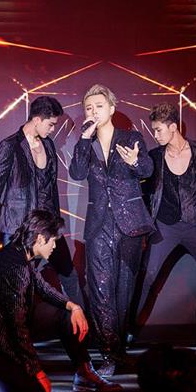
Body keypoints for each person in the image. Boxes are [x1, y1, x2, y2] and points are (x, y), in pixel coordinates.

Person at [0, 210, 120, 392]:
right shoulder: (15, 266)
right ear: (41, 239)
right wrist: (36, 371)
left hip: (1, 331)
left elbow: (42, 287)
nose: (55, 246)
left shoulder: (20, 253)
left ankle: (84, 373)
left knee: (66, 315)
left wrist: (73, 306)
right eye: (53, 241)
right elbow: (16, 326)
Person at [137, 102, 196, 389]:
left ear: (173, 127)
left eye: (158, 130)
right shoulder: (154, 157)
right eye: (153, 130)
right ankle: (126, 334)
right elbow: (143, 193)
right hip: (165, 227)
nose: (155, 135)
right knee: (147, 277)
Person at [69, 84, 154, 375]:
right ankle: (108, 353)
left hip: (130, 224)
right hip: (98, 225)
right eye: (88, 107)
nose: (93, 111)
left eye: (99, 106)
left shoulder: (131, 138)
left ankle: (118, 351)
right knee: (100, 289)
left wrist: (135, 161)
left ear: (112, 109)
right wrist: (84, 139)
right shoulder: (86, 141)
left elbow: (148, 170)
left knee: (124, 291)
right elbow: (77, 173)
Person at [0, 96, 82, 305]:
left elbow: (51, 187)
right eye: (51, 124)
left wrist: (57, 224)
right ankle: (13, 324)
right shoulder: (10, 145)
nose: (53, 130)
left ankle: (81, 319)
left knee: (69, 275)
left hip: (49, 226)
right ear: (37, 120)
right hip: (18, 227)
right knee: (15, 284)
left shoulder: (48, 145)